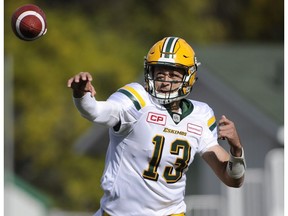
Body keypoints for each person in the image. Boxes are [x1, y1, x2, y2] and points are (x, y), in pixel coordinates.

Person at [67, 36, 246, 216]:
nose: (165, 81)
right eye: (160, 74)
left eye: (173, 75)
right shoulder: (137, 99)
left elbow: (232, 179)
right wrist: (81, 95)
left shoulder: (201, 115)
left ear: (189, 77)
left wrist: (236, 149)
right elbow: (95, 111)